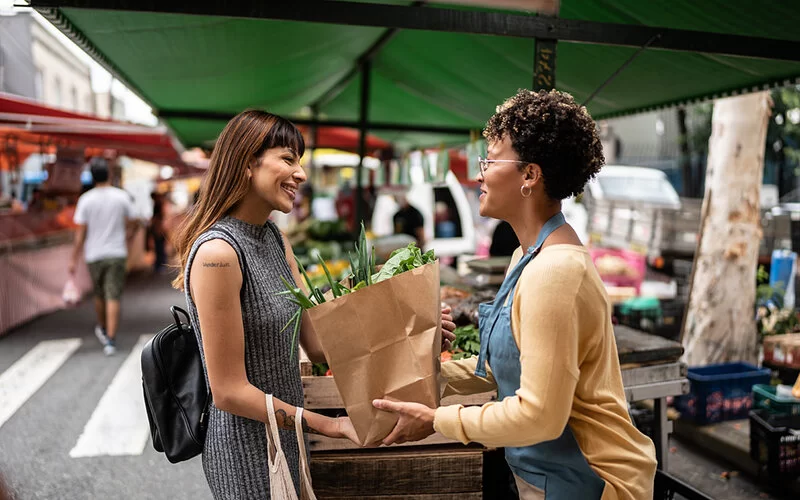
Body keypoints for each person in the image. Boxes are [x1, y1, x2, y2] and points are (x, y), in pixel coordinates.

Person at [373, 90, 657, 499]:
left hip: (593, 481)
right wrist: (427, 370)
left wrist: (438, 419)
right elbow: (500, 372)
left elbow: (539, 416)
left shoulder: (555, 271)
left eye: (490, 159)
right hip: (546, 473)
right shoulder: (525, 256)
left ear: (529, 176)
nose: (479, 174)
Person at [69, 158, 137, 356]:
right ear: (109, 174)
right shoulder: (121, 197)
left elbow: (80, 233)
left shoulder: (86, 200)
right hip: (117, 252)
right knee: (113, 295)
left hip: (94, 254)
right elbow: (134, 221)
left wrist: (73, 258)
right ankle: (111, 339)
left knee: (99, 294)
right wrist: (127, 235)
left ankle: (104, 328)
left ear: (91, 177)